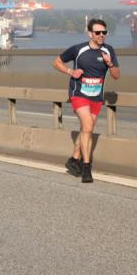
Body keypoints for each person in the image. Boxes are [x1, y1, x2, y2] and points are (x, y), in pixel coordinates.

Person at [52, 18, 120, 183]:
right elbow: (56, 62)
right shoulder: (78, 49)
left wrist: (110, 63)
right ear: (90, 33)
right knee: (88, 127)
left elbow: (116, 76)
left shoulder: (109, 50)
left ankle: (74, 160)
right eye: (98, 32)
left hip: (96, 98)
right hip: (79, 94)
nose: (101, 35)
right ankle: (86, 168)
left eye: (104, 32)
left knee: (86, 130)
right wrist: (71, 71)